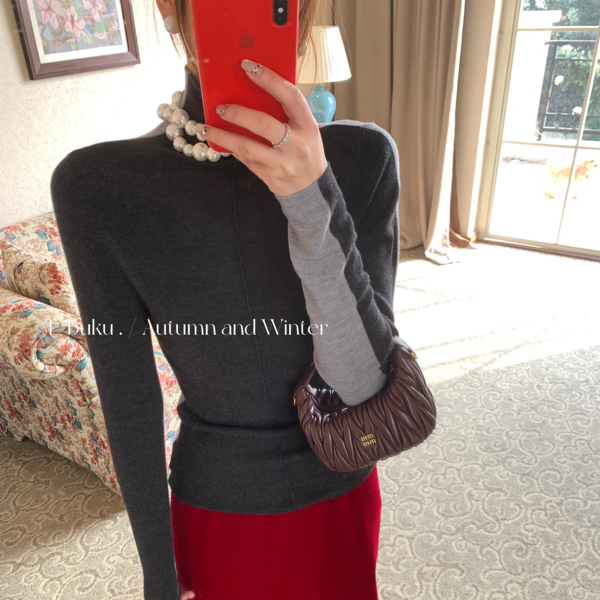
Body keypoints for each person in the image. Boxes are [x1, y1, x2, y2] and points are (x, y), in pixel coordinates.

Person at [50, 0, 401, 598]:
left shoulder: (363, 157)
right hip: (216, 509)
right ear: (170, 7)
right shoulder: (99, 186)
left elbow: (362, 382)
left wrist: (311, 199)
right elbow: (129, 402)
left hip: (339, 493)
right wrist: (160, 580)